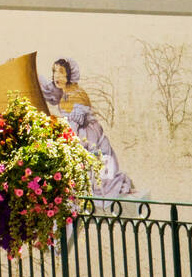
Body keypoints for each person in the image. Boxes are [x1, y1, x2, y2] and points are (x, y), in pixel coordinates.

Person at [40, 58, 133, 197]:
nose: (56, 76)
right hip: (78, 134)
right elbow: (47, 91)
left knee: (96, 181)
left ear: (70, 75)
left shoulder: (76, 95)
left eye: (61, 72)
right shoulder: (63, 91)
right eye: (54, 72)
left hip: (89, 137)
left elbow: (74, 127)